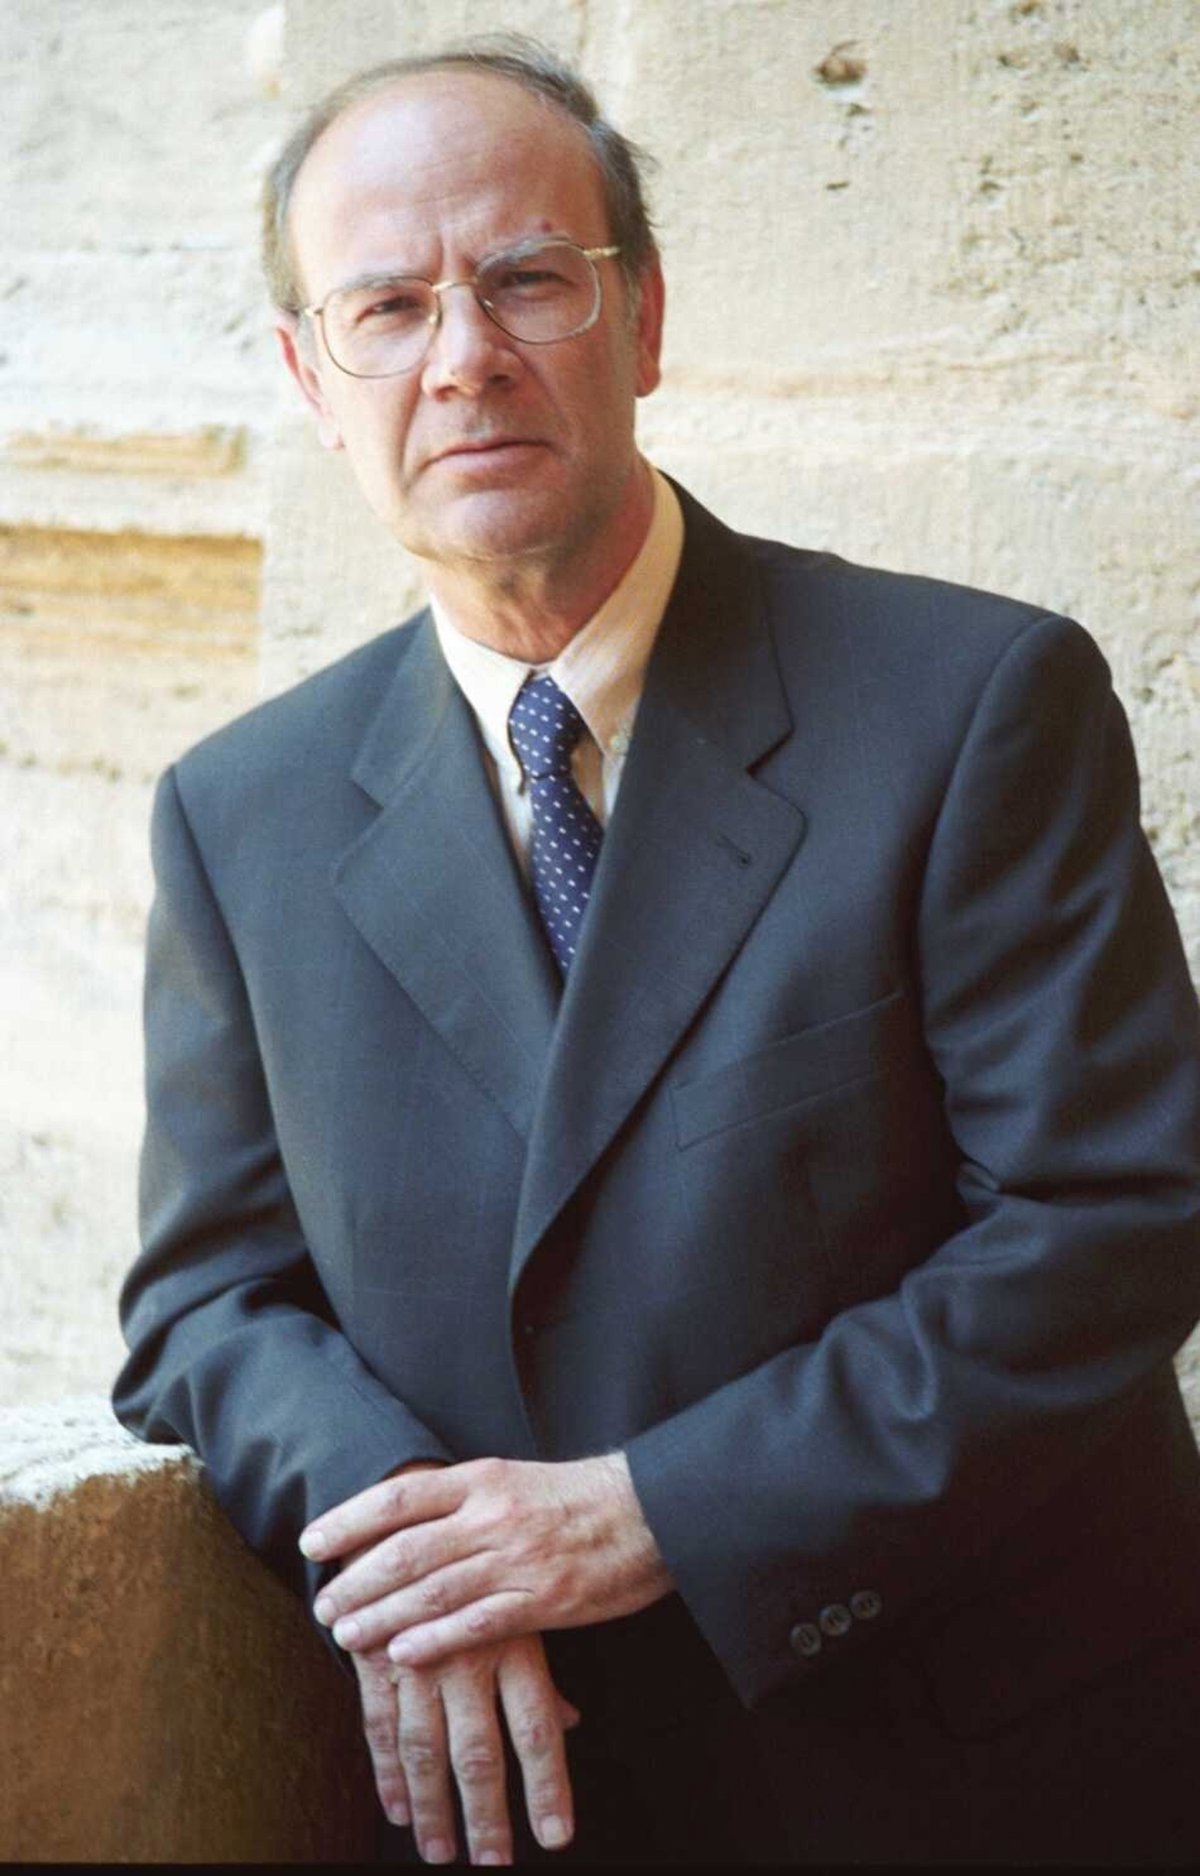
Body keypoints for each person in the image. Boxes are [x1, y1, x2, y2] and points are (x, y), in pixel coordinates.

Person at [114, 35, 1200, 1869]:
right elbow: (204, 1305)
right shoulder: (240, 813)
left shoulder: (972, 703)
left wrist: (649, 1513)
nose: (464, 356)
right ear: (311, 377)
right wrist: (412, 1538)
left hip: (973, 1786)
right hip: (515, 1808)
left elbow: (1116, 1221)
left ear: (647, 316)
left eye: (529, 279)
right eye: (388, 308)